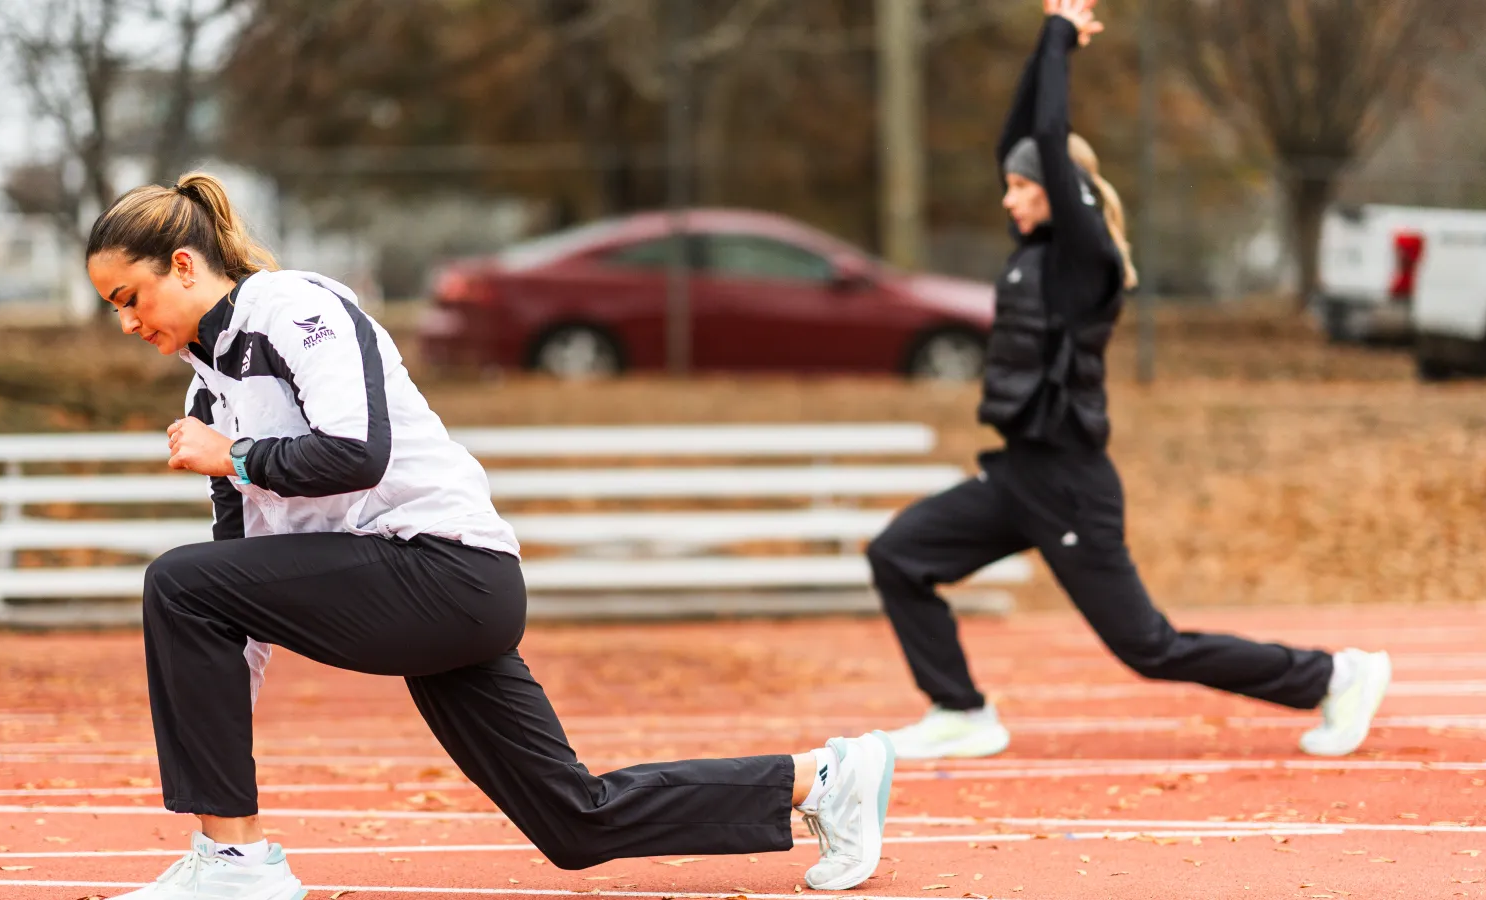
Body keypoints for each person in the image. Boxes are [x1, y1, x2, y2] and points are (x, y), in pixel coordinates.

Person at [85, 172, 895, 900]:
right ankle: (821, 779)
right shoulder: (208, 397)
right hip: (416, 593)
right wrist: (219, 716)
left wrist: (236, 456)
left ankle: (236, 867)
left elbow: (357, 451)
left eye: (129, 298)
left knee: (176, 581)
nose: (125, 323)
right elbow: (239, 583)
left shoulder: (295, 306)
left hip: (447, 569)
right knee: (575, 825)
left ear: (185, 265)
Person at [867, 0, 1391, 762]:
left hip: (1070, 483)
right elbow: (1023, 136)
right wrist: (1049, 38)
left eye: (1023, 186)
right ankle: (961, 709)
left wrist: (1058, 38)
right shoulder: (1033, 244)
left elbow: (1045, 139)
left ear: (1057, 188)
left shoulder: (1086, 260)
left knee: (1149, 647)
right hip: (1020, 475)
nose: (1008, 196)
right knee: (899, 556)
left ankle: (1332, 676)